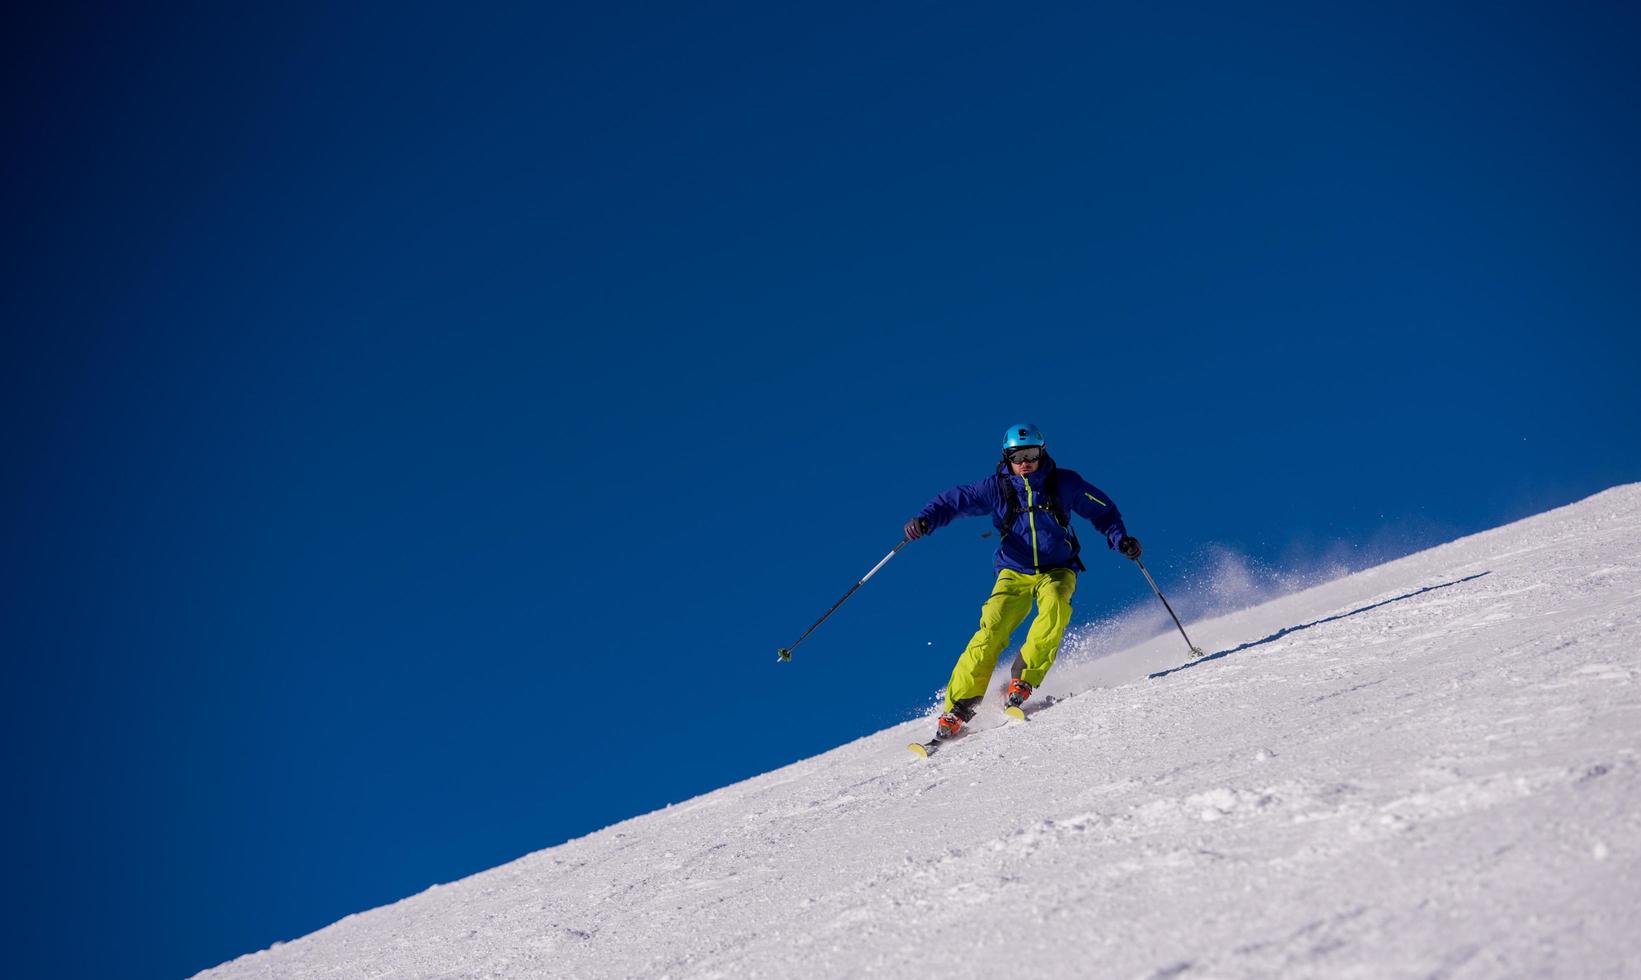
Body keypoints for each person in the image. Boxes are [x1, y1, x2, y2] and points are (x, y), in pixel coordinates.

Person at [903, 423, 1141, 741]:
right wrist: (926, 520)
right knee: (992, 628)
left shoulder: (1064, 483)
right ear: (1007, 457)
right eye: (1018, 456)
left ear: (1042, 452)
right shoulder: (997, 488)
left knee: (1055, 606)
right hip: (1014, 572)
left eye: (1031, 454)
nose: (1025, 462)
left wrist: (1120, 539)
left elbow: (1104, 511)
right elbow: (953, 501)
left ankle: (1023, 679)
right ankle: (958, 707)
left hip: (1057, 569)